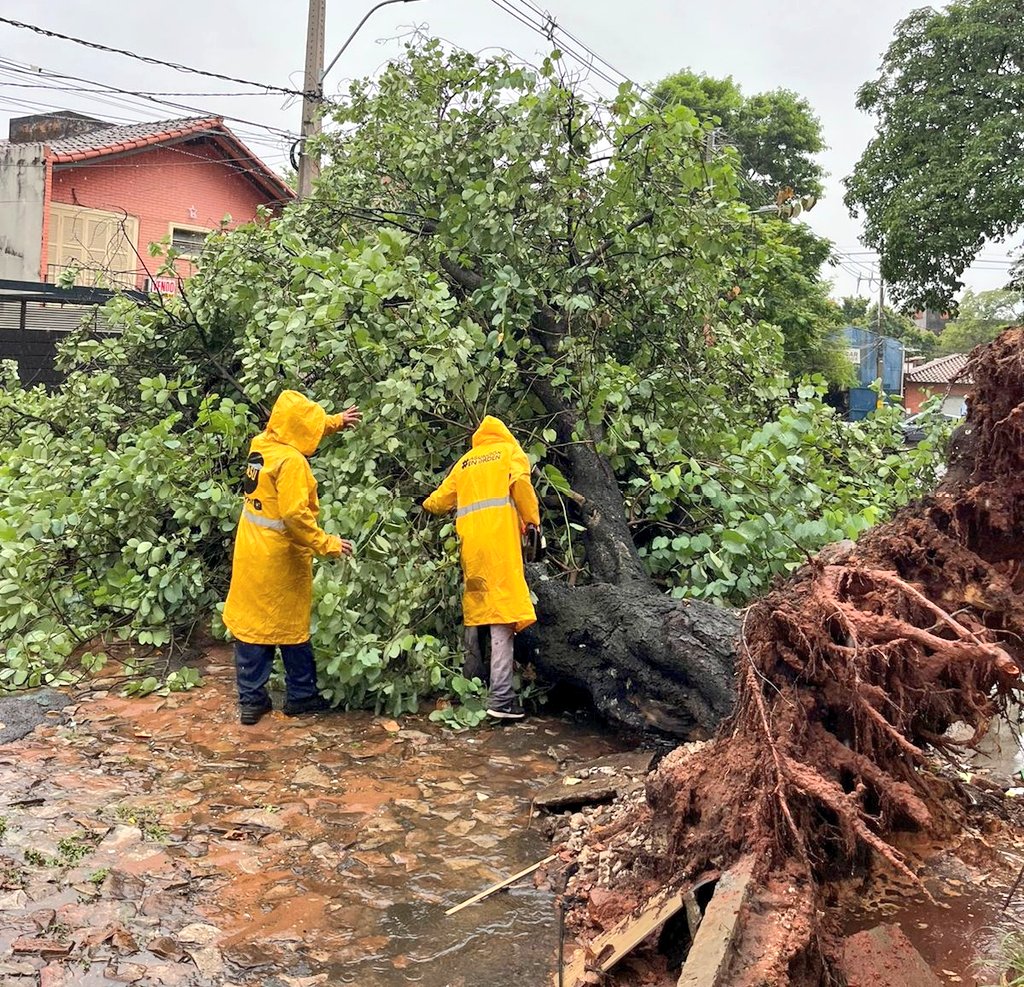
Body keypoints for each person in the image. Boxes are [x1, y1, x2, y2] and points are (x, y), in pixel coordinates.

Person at [222, 390, 361, 725]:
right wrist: (327, 543)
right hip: (280, 557)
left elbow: (298, 426)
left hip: (252, 550)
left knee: (252, 626)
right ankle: (301, 696)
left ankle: (252, 702)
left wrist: (334, 422)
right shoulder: (293, 463)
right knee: (290, 629)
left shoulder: (262, 445)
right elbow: (296, 517)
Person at [423, 416, 540, 720]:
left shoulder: (464, 463)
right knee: (502, 614)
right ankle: (501, 698)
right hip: (500, 544)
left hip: (471, 548)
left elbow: (437, 501)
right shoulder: (510, 453)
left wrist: (425, 504)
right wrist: (532, 522)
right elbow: (522, 486)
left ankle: (470, 684)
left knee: (476, 610)